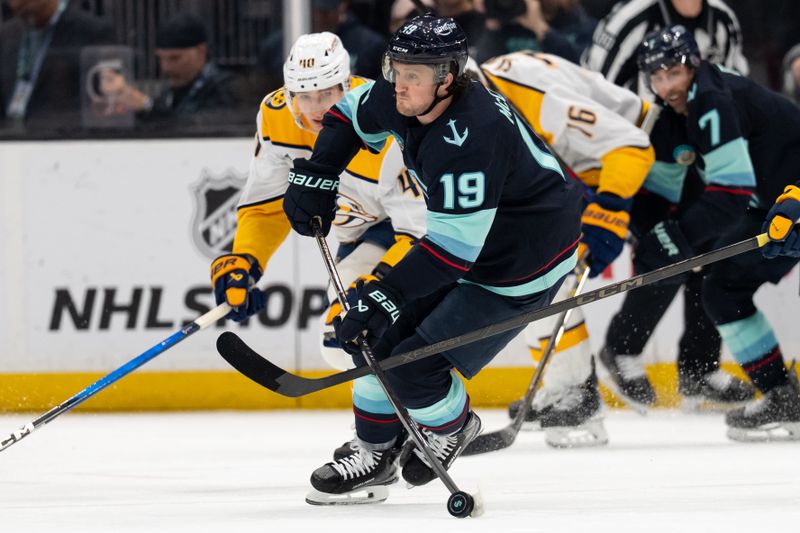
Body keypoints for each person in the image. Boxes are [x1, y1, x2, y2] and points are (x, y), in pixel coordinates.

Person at [280, 14, 583, 504]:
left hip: (522, 262)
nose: (398, 84)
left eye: (413, 74)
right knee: (373, 341)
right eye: (395, 69)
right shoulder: (406, 94)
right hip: (472, 244)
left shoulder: (472, 135)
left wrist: (385, 297)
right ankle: (375, 454)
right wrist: (321, 171)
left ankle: (454, 426)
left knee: (412, 368)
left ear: (448, 78)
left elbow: (451, 254)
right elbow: (348, 113)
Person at [604, 25, 800, 441]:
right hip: (775, 205)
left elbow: (731, 192)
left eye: (673, 73)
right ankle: (782, 398)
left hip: (790, 199)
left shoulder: (712, 97)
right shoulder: (676, 110)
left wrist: (678, 238)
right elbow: (661, 192)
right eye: (657, 77)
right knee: (722, 289)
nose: (667, 86)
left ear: (694, 65)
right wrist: (653, 235)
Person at [209, 32, 425, 374]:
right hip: (361, 235)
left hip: (425, 236)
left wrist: (380, 285)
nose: (316, 107)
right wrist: (246, 259)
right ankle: (394, 406)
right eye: (304, 96)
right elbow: (266, 205)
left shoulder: (384, 120)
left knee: (382, 327)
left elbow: (422, 232)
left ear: (346, 86)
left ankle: (429, 398)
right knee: (340, 343)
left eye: (326, 93)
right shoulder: (276, 118)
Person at [478, 50, 656, 446]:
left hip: (634, 166)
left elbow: (632, 144)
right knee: (524, 270)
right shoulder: (483, 102)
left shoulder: (530, 93)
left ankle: (579, 395)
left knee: (545, 274)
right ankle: (563, 386)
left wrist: (610, 210)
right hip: (580, 171)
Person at [581, 0, 747, 94]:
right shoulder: (630, 19)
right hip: (636, 133)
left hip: (702, 130)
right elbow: (594, 91)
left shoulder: (723, 19)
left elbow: (735, 90)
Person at [101, 13, 243, 124]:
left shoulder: (226, 88)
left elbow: (200, 126)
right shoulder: (168, 94)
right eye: (160, 59)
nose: (165, 67)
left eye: (175, 58)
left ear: (201, 51)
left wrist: (147, 106)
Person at [0, 0, 114, 125]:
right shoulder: (6, 35)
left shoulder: (91, 31)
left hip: (61, 132)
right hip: (9, 132)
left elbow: (105, 98)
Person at [258, 0, 387, 91]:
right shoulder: (277, 45)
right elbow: (261, 89)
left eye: (326, 12)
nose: (319, 17)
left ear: (342, 5)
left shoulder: (370, 45)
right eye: (315, 10)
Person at [476, 0, 596, 63]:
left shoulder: (576, 19)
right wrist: (493, 23)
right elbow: (485, 68)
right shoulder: (506, 23)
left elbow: (585, 63)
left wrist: (541, 29)